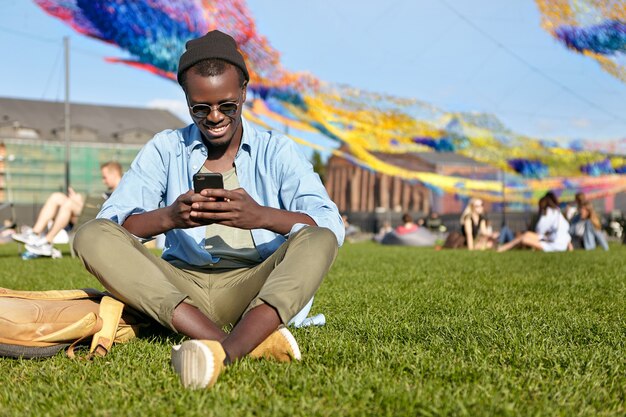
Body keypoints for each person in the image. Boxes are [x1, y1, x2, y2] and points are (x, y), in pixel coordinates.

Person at [72, 30, 344, 390]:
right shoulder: (166, 148)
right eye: (201, 108)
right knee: (90, 235)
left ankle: (223, 354)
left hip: (253, 287)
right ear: (187, 101)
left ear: (244, 92)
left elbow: (329, 224)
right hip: (180, 288)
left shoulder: (276, 150)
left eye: (227, 105)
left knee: (319, 238)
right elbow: (113, 224)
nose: (215, 117)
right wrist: (169, 218)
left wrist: (262, 217)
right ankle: (240, 343)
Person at [12, 161, 123, 257]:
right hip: (91, 217)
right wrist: (79, 202)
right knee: (57, 197)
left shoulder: (123, 191)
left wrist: (78, 203)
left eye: (105, 177)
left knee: (69, 204)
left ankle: (47, 241)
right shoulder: (106, 193)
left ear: (114, 174)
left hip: (102, 222)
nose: (103, 181)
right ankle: (35, 233)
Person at [497, 194, 571, 252]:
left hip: (553, 245)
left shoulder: (548, 212)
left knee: (524, 238)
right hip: (560, 243)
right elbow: (566, 229)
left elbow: (539, 230)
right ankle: (503, 247)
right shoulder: (557, 212)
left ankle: (503, 248)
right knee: (526, 235)